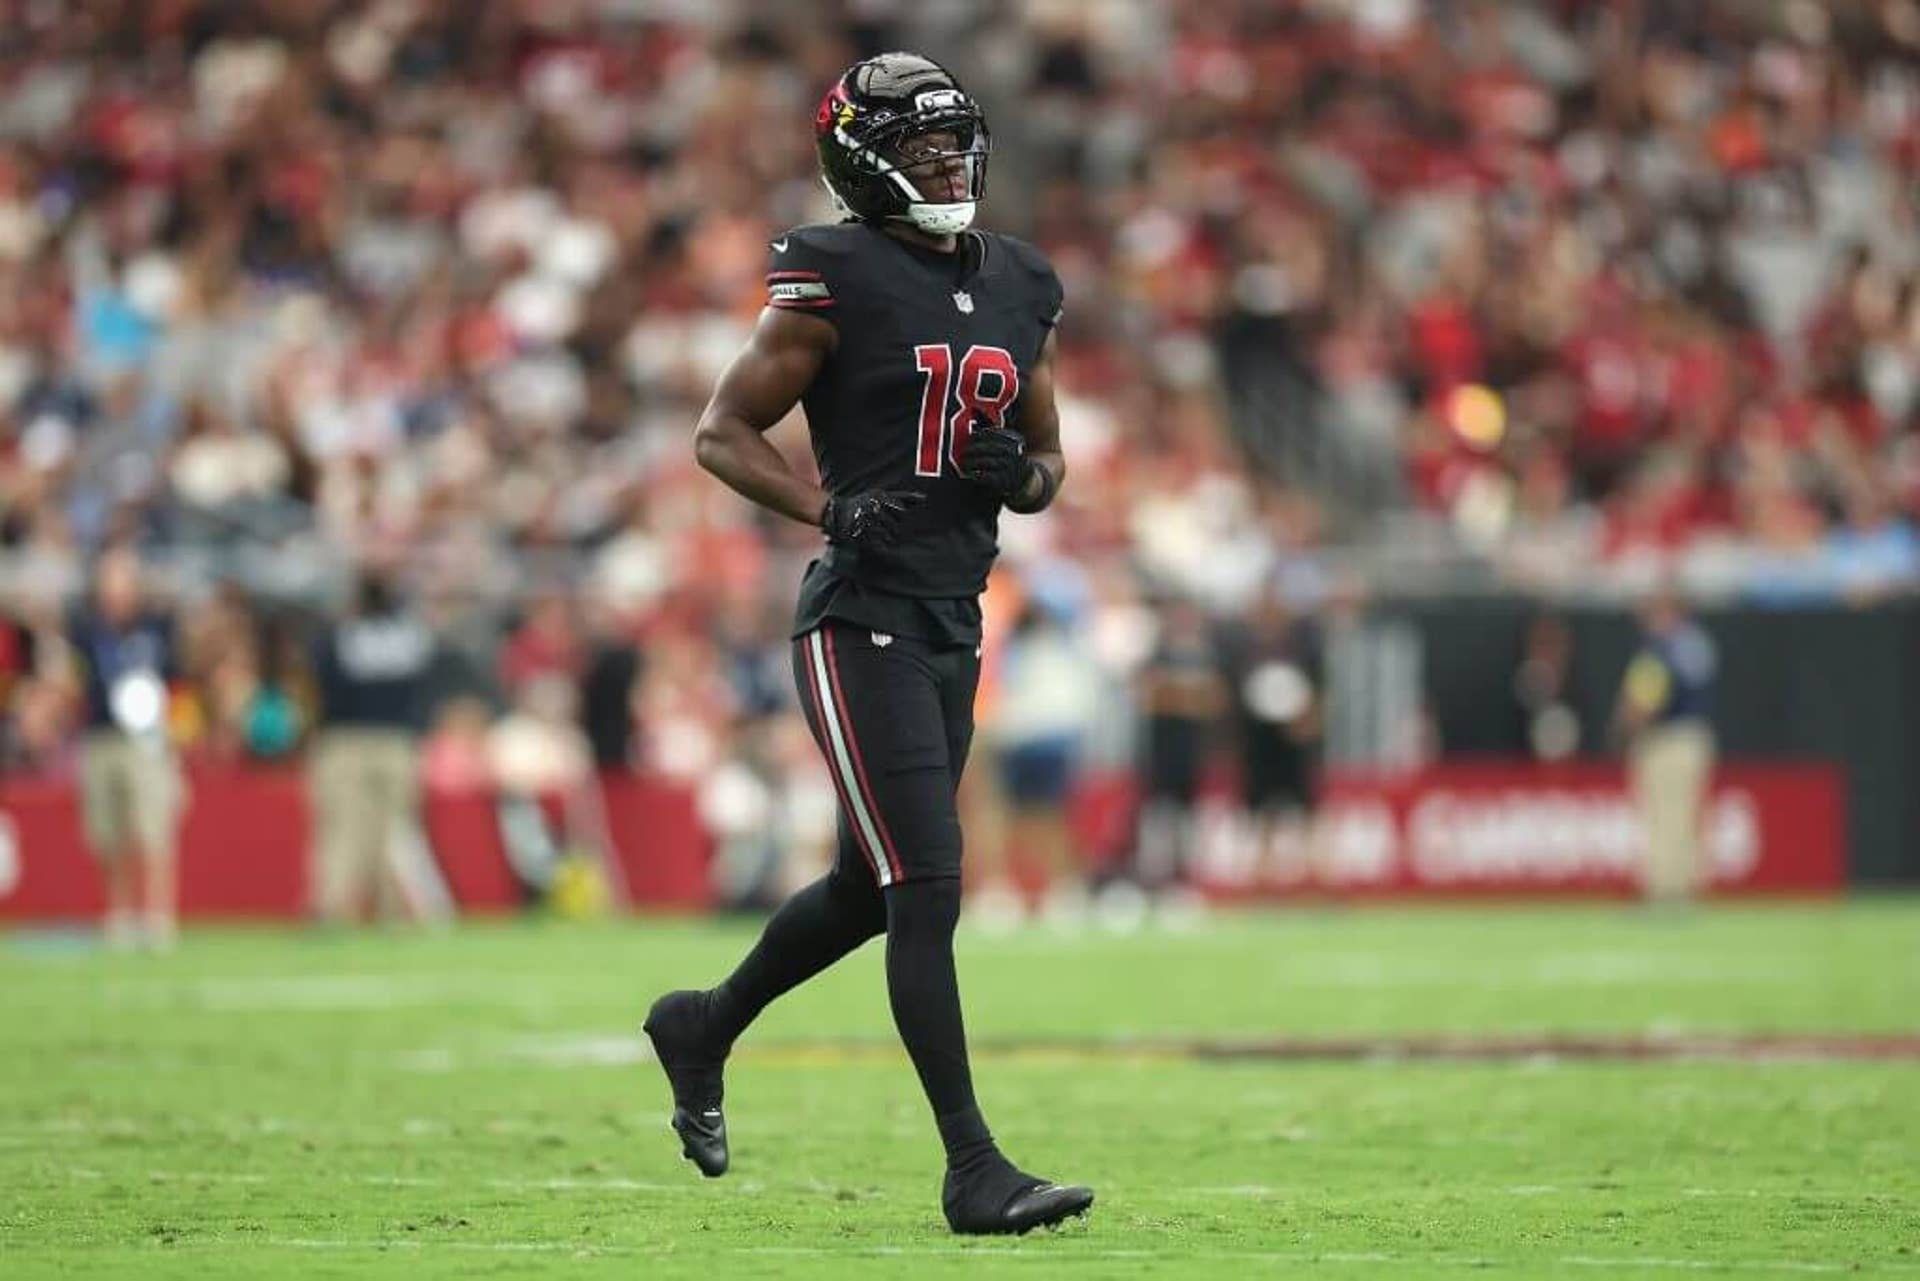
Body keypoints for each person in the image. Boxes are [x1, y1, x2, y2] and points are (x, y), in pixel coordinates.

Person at [642, 53, 1093, 1236]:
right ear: (864, 157)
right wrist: (827, 508)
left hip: (954, 613)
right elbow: (722, 433)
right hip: (859, 615)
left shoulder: (1021, 281)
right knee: (927, 882)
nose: (950, 165)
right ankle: (972, 1168)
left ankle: (703, 1022)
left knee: (865, 887)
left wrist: (1024, 478)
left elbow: (1047, 461)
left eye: (958, 143)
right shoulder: (832, 269)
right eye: (924, 145)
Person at [70, 547, 183, 950]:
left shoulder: (156, 628)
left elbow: (175, 680)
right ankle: (119, 913)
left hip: (146, 738)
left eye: (123, 581)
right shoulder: (85, 631)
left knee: (152, 827)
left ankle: (158, 914)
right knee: (109, 831)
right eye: (110, 581)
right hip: (101, 736)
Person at [309, 569, 433, 924]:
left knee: (342, 830)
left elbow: (324, 678)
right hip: (397, 741)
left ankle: (332, 907)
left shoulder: (342, 637)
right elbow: (420, 686)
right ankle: (390, 908)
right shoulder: (410, 638)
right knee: (394, 831)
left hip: (346, 740)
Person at [1614, 585, 1718, 904]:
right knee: (1684, 817)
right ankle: (1683, 887)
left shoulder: (1662, 647)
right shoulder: (1696, 643)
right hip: (1695, 736)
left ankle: (1664, 891)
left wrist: (1625, 727)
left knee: (1664, 817)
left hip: (1667, 740)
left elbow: (1645, 700)